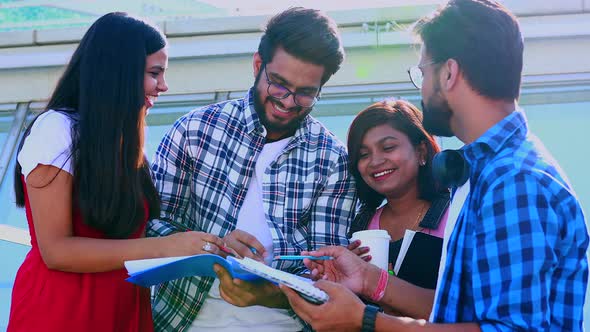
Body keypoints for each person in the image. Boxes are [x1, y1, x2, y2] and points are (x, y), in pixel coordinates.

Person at [280, 0, 589, 331]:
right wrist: (369, 280)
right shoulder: (487, 173)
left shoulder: (514, 181)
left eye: (422, 73)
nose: (422, 89)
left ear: (449, 73)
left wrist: (365, 321)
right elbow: (462, 310)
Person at [8, 12, 226, 332]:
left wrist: (213, 244)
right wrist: (167, 246)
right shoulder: (56, 129)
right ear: (119, 73)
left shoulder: (124, 138)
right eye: (155, 73)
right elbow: (55, 251)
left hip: (122, 310)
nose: (163, 85)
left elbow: (138, 234)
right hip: (62, 313)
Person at [148, 7, 356, 332]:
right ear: (258, 65)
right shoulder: (193, 131)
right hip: (181, 320)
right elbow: (151, 225)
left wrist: (269, 293)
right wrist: (212, 246)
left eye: (306, 93)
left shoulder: (332, 159)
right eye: (279, 84)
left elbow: (325, 271)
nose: (288, 102)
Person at [346, 99, 449, 318]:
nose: (375, 161)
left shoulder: (454, 217)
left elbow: (461, 307)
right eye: (363, 155)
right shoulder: (361, 226)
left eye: (388, 147)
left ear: (421, 151)